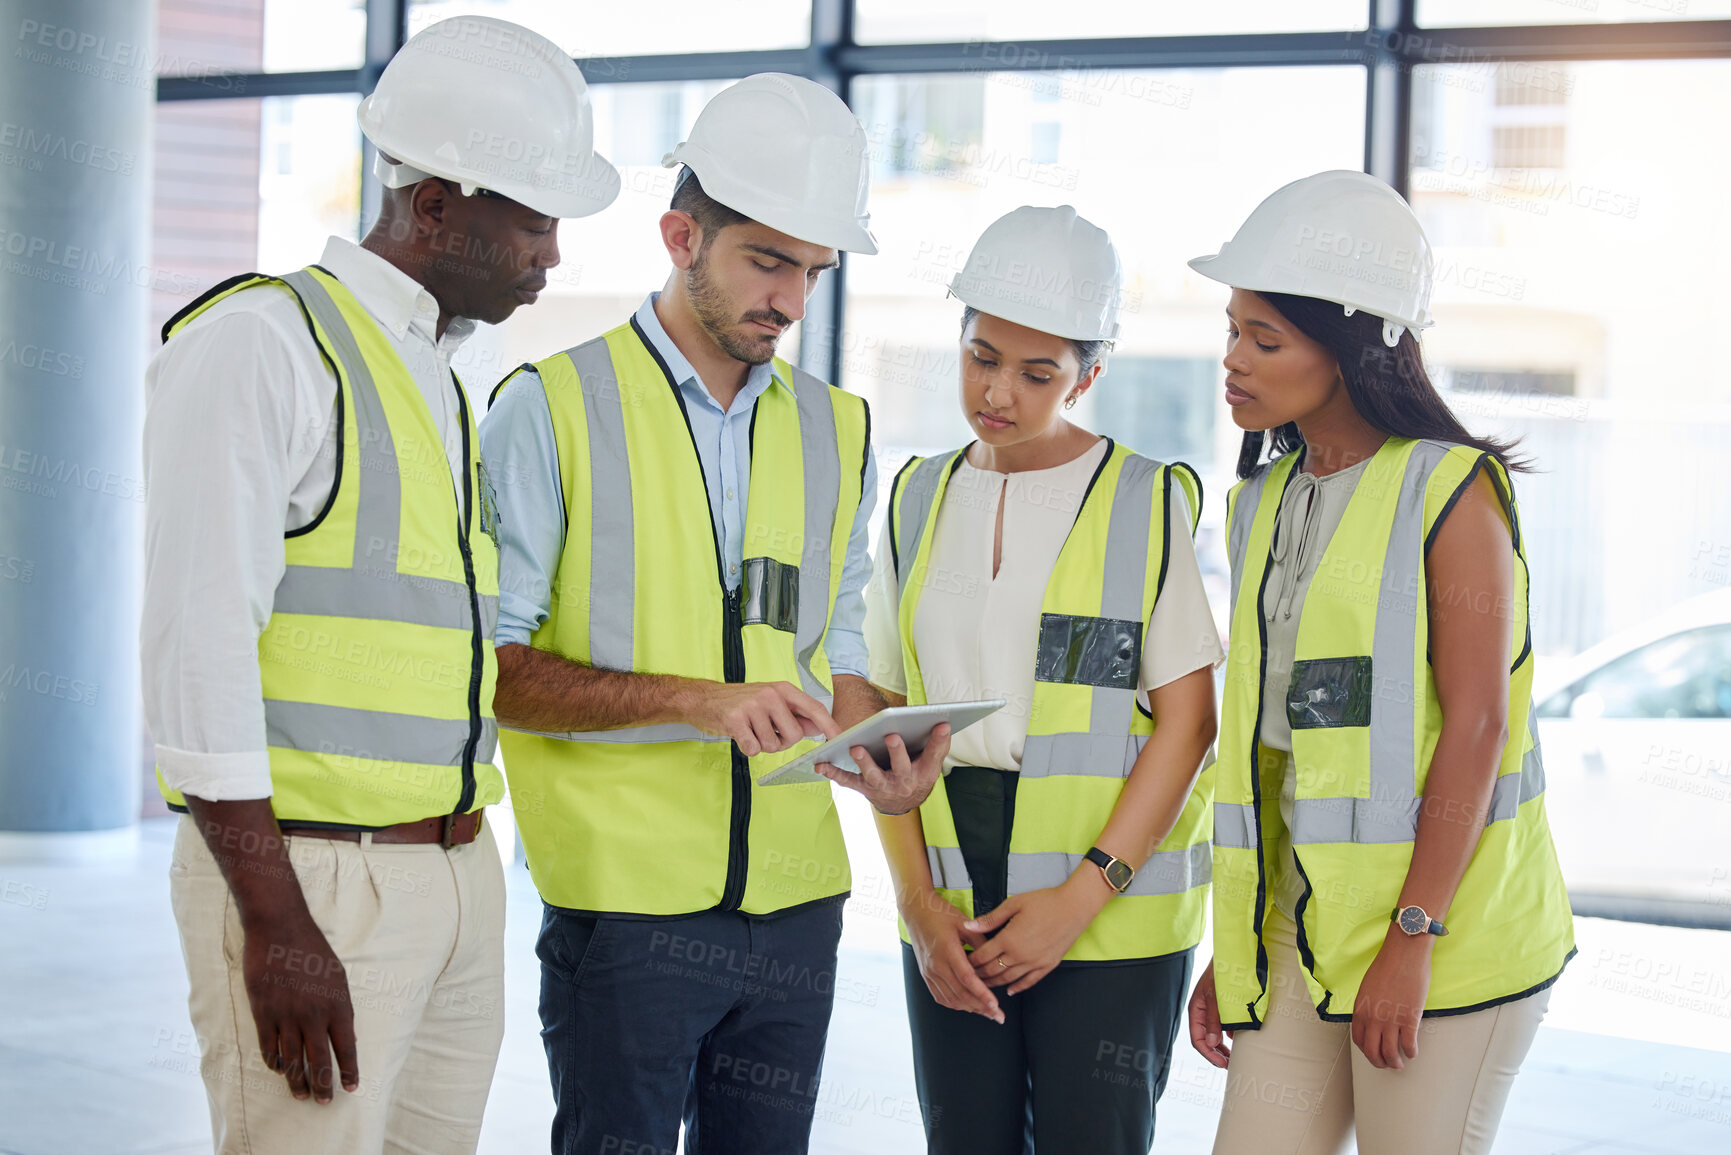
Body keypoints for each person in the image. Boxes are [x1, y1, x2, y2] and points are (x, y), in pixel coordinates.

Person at [140, 17, 617, 1153]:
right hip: (312, 882)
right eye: (534, 220)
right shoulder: (268, 342)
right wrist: (274, 921)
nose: (553, 255)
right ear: (434, 206)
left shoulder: (439, 378)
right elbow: (194, 645)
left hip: (452, 871)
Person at [479, 73, 948, 1155]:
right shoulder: (549, 407)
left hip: (795, 901)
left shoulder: (838, 428)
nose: (788, 300)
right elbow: (493, 669)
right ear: (680, 234)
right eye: (766, 260)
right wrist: (697, 701)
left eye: (812, 272)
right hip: (626, 909)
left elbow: (832, 647)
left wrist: (884, 745)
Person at [1183, 170, 1576, 1155]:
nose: (1233, 360)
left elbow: (1481, 725)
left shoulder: (1451, 490)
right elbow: (1275, 753)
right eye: (1231, 330)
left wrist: (1413, 937)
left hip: (1448, 932)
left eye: (1264, 339)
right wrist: (1238, 948)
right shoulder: (1262, 500)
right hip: (1303, 934)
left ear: (1357, 348)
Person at [862, 205, 1222, 1154]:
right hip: (951, 897)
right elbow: (880, 709)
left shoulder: (1146, 499)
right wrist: (916, 905)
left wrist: (1080, 898)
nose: (999, 393)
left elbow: (1188, 726)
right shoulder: (913, 495)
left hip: (1105, 904)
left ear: (1088, 375)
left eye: (1038, 373)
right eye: (982, 357)